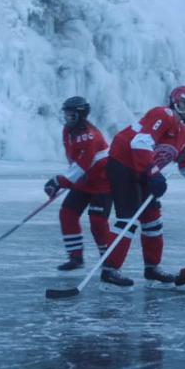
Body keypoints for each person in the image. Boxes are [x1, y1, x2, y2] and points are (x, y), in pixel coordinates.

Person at [100, 85, 185, 287]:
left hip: (143, 171)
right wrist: (153, 173)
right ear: (180, 103)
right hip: (123, 165)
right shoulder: (162, 114)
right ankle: (110, 270)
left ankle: (152, 268)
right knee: (128, 218)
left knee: (152, 220)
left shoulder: (183, 134)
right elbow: (141, 142)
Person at [43, 95, 113, 271]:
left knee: (97, 222)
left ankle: (109, 260)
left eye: (70, 114)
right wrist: (66, 181)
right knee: (67, 213)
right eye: (65, 114)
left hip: (103, 183)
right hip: (84, 181)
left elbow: (83, 164)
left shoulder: (91, 136)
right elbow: (76, 162)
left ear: (80, 115)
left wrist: (60, 181)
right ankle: (76, 258)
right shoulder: (68, 131)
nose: (66, 118)